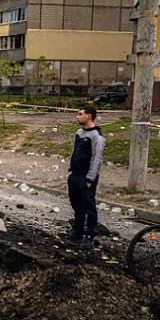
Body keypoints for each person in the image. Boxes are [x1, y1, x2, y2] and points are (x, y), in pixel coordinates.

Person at [67, 106, 105, 249]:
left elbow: (97, 159)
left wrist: (90, 178)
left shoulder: (97, 136)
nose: (77, 116)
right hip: (74, 175)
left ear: (89, 116)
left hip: (86, 177)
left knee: (89, 207)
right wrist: (70, 171)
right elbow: (74, 151)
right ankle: (77, 233)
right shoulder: (79, 132)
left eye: (80, 114)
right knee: (77, 206)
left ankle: (89, 235)